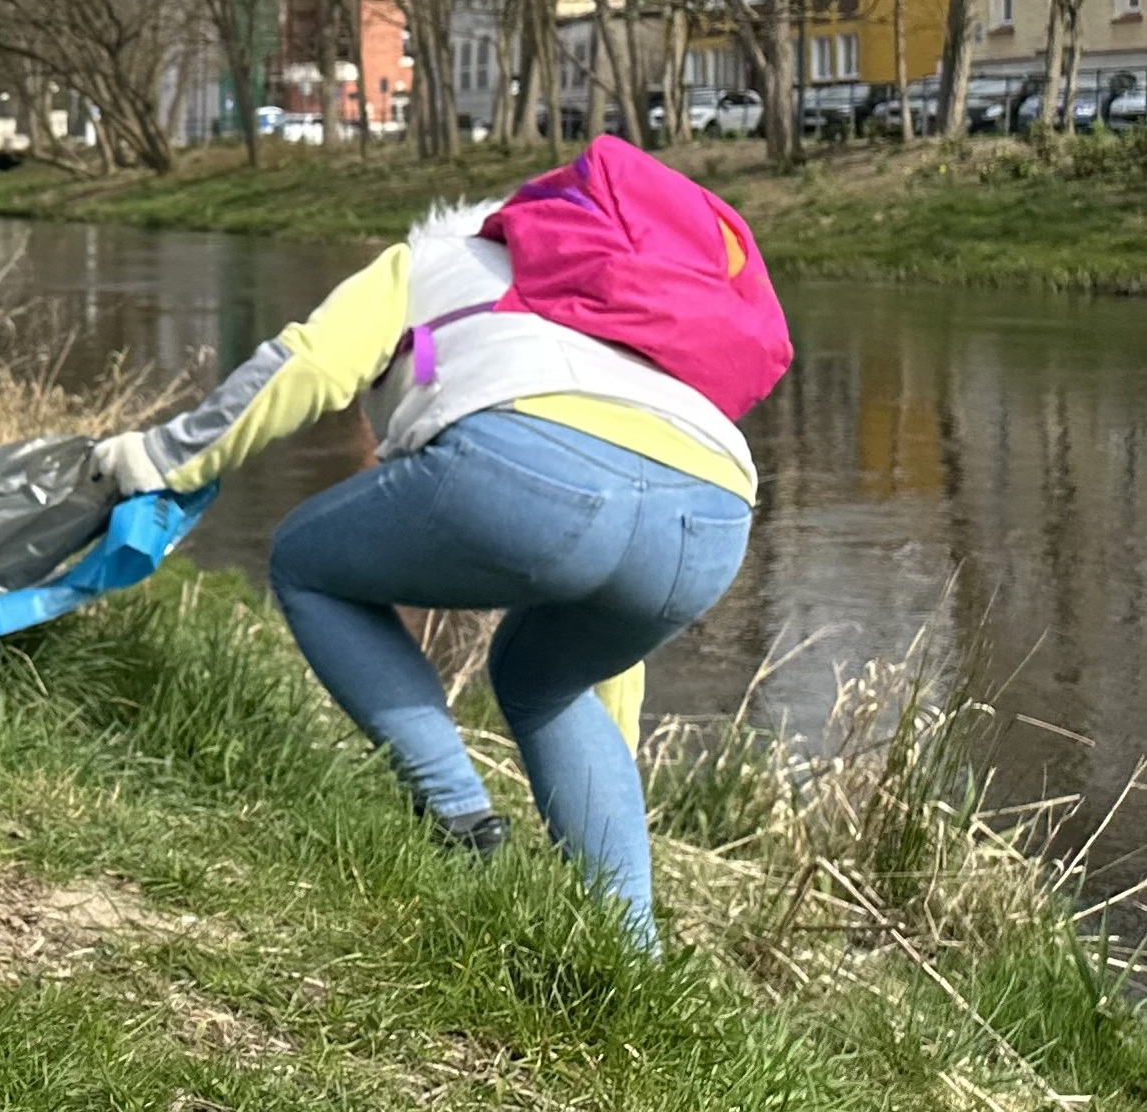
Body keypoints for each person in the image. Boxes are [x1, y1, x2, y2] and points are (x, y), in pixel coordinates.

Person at [90, 149, 777, 949]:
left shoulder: (431, 262)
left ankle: (457, 817)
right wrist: (608, 766)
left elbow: (307, 365)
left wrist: (166, 458)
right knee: (548, 681)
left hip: (528, 470)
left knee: (308, 564)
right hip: (714, 515)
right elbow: (429, 370)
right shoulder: (620, 308)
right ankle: (627, 949)